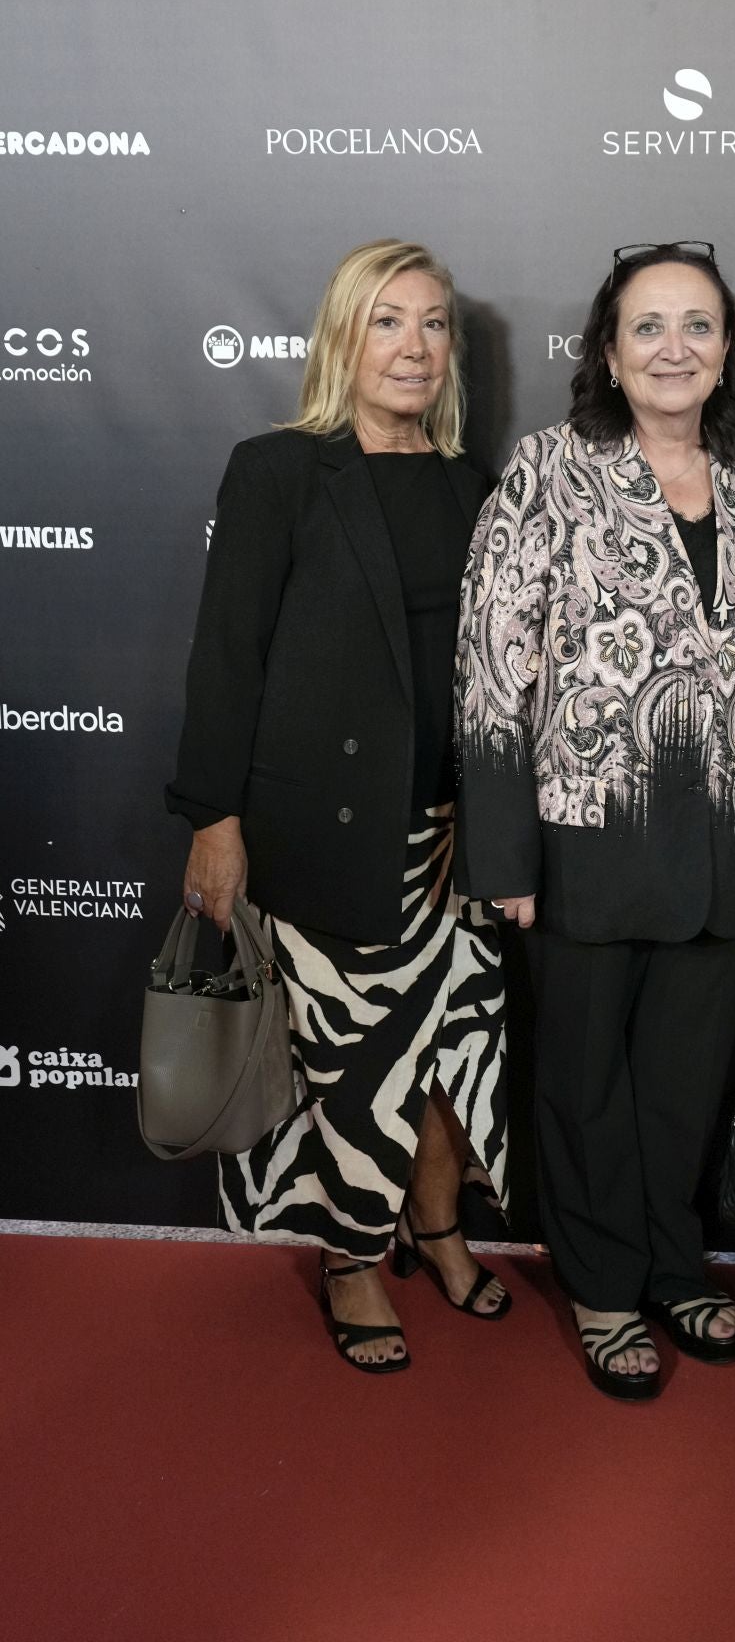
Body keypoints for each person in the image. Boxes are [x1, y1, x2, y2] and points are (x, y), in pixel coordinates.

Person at [453, 241, 735, 1399]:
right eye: (648, 325)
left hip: (722, 853)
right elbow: (492, 669)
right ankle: (602, 1287)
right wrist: (503, 852)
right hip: (583, 842)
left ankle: (669, 1260)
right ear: (607, 348)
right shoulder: (548, 469)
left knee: (680, 1083)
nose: (673, 348)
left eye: (697, 325)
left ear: (724, 352)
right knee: (586, 1079)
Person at [166, 239, 510, 1373]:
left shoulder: (468, 482)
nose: (413, 346)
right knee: (355, 1072)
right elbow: (228, 657)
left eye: (432, 323)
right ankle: (352, 1259)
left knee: (455, 1056)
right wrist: (214, 818)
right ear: (343, 340)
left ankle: (441, 1228)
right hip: (323, 836)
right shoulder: (278, 471)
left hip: (451, 843)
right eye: (386, 321)